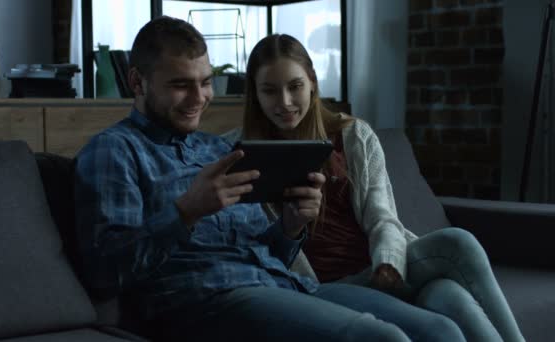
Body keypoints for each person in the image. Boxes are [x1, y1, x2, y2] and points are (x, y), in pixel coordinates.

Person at [74, 16, 466, 342]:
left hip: (283, 284)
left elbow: (269, 251)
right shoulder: (115, 152)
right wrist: (185, 213)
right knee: (383, 339)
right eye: (180, 85)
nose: (199, 97)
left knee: (439, 330)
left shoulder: (218, 150)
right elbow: (104, 272)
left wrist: (292, 227)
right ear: (138, 83)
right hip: (205, 299)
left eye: (206, 81)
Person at [233, 33, 525, 342]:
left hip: (380, 269)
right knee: (457, 244)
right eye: (270, 91)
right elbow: (251, 250)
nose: (285, 102)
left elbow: (382, 218)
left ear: (313, 83)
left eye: (295, 87)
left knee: (452, 296)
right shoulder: (236, 154)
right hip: (325, 286)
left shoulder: (355, 136)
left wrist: (387, 264)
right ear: (255, 93)